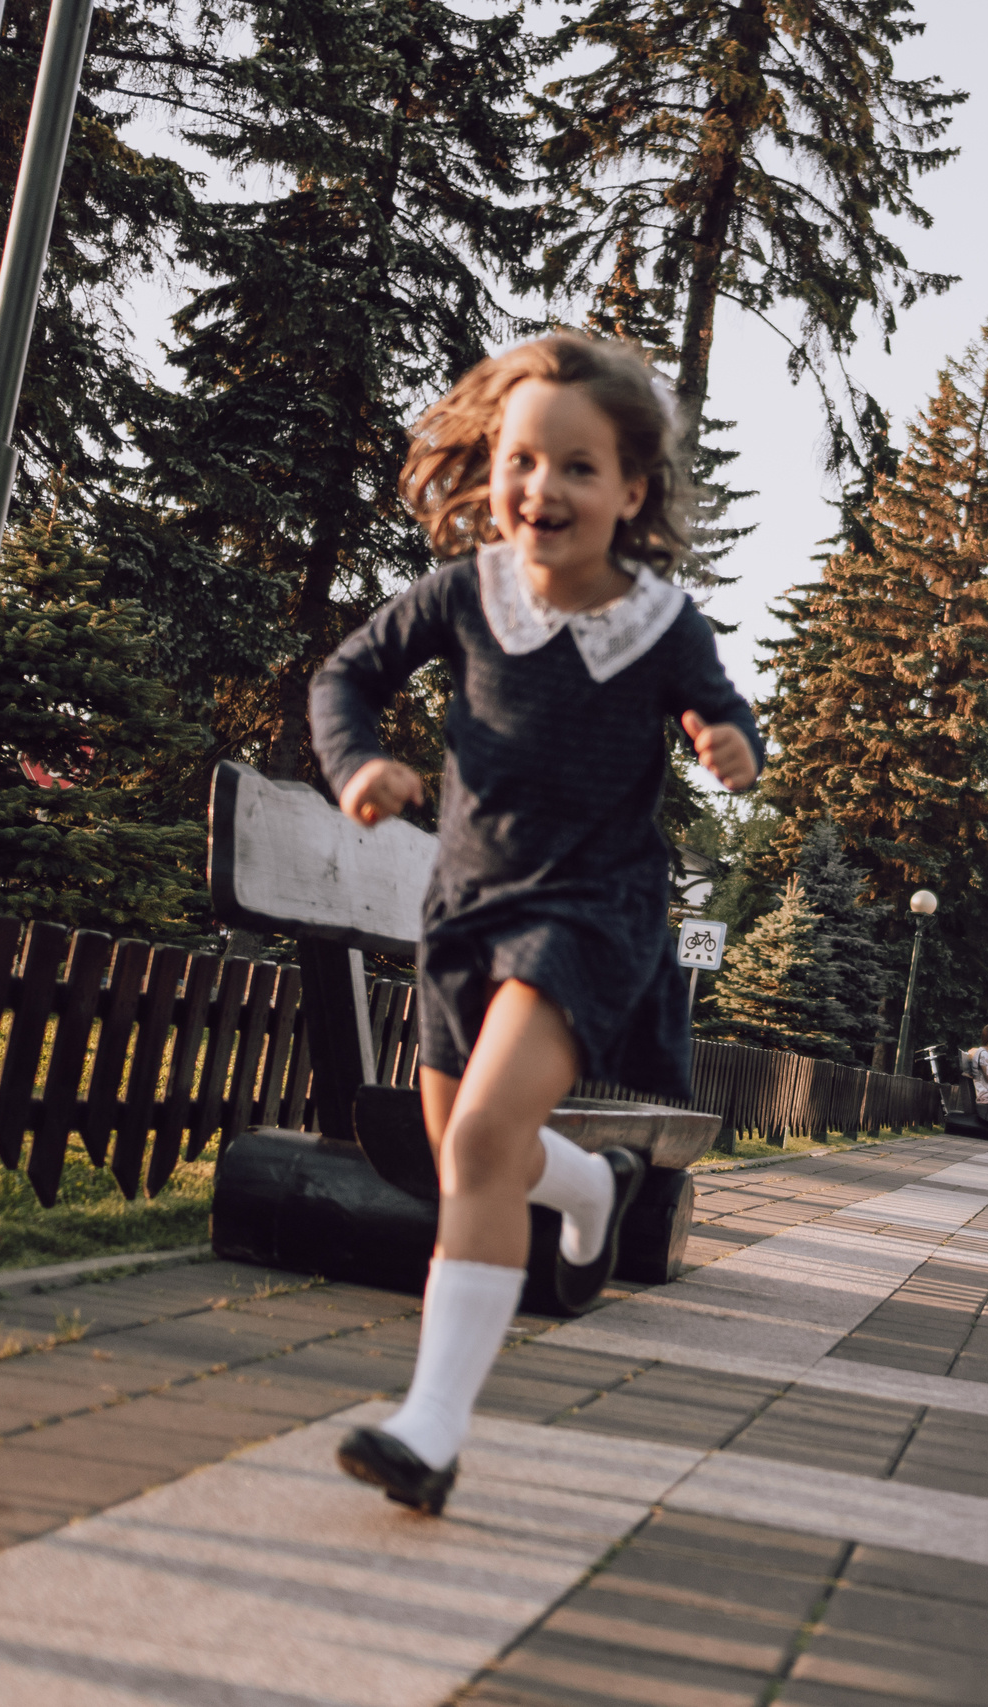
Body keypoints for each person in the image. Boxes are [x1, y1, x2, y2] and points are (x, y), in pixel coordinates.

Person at [311, 332, 762, 1514]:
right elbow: (344, 679)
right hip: (465, 907)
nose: (540, 490)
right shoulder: (466, 594)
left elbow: (727, 718)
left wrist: (727, 747)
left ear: (630, 492)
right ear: (492, 468)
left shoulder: (662, 624)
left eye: (576, 468)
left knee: (475, 1147)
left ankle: (432, 1432)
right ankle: (591, 1191)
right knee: (472, 1141)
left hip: (591, 917)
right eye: (522, 461)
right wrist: (361, 765)